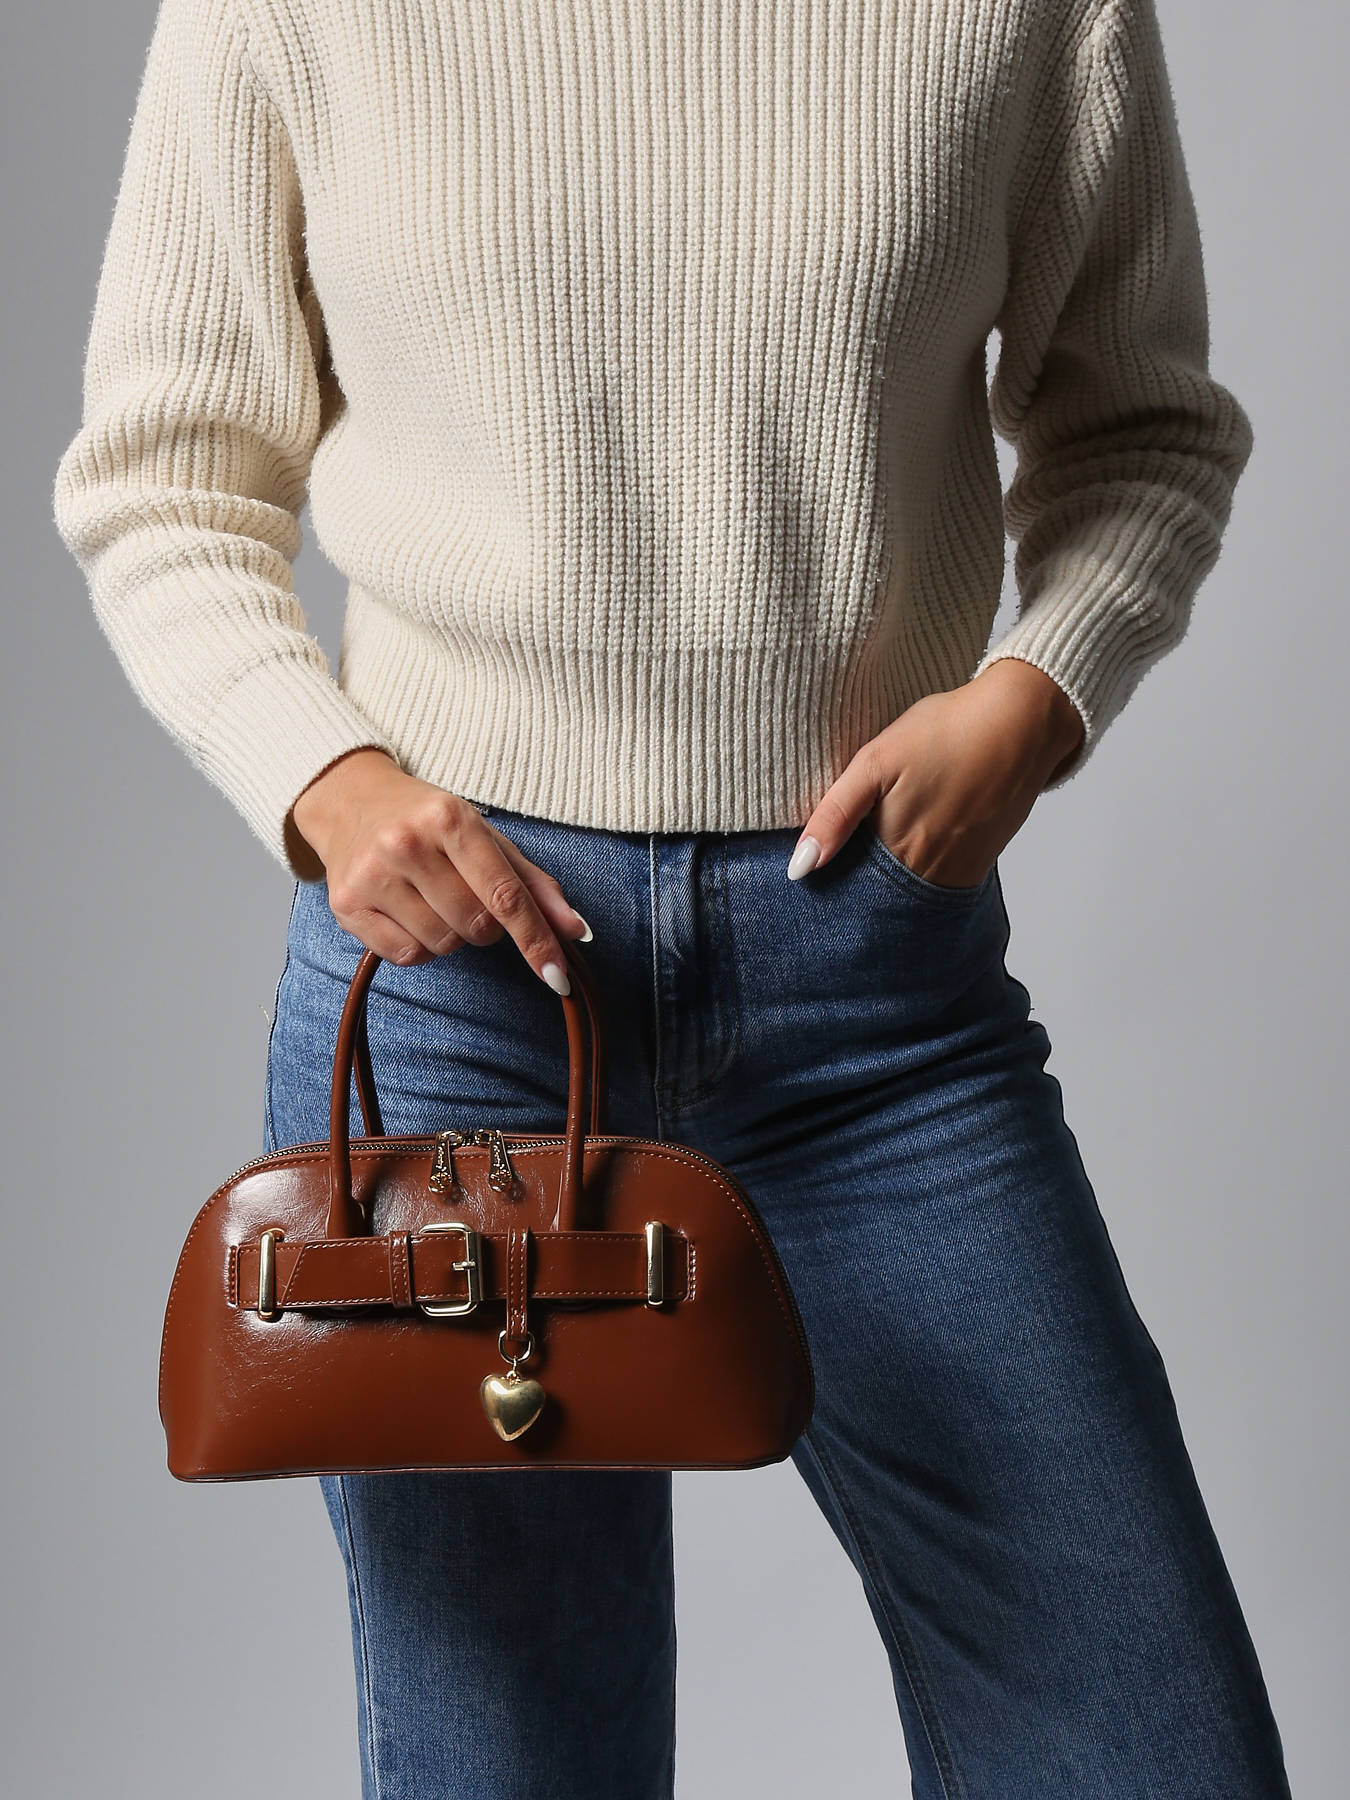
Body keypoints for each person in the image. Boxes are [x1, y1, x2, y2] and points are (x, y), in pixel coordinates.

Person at [52, 0, 1292, 1794]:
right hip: (456, 1000)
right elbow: (161, 477)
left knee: (1144, 1742)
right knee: (514, 1760)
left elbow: (1146, 429)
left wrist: (1038, 695)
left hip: (873, 1003)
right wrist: (322, 777)